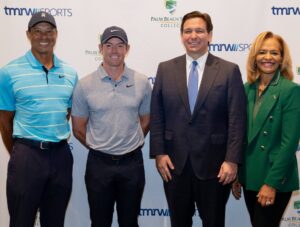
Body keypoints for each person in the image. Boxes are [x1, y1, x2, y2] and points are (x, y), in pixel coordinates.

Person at [150, 11, 246, 227]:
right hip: (174, 165)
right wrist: (159, 152)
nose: (193, 35)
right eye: (188, 31)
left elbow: (237, 120)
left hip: (215, 167)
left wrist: (232, 160)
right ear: (181, 35)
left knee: (213, 222)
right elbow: (157, 115)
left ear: (210, 35)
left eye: (199, 31)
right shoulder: (165, 69)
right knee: (179, 222)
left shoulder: (229, 71)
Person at [0, 12, 78, 227]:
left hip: (61, 156)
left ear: (56, 34)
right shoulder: (9, 72)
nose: (44, 36)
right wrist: (21, 151)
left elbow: (66, 112)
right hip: (27, 156)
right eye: (37, 31)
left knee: (54, 221)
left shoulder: (70, 73)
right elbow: (5, 122)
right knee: (21, 221)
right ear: (29, 34)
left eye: (49, 31)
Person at [71, 26, 152, 227]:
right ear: (100, 48)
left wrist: (129, 141)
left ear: (127, 48)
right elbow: (78, 127)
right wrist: (102, 145)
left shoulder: (141, 82)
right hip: (99, 164)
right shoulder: (84, 85)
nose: (114, 50)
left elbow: (146, 119)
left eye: (119, 45)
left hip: (132, 163)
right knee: (99, 222)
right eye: (109, 45)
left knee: (129, 222)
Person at [232, 31, 300, 227]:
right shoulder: (247, 88)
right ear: (255, 57)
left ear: (282, 58)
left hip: (274, 179)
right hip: (249, 176)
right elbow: (242, 136)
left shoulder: (290, 90)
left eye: (274, 53)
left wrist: (271, 184)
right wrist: (237, 174)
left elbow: (289, 143)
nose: (268, 57)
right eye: (262, 52)